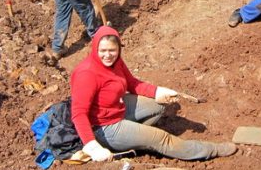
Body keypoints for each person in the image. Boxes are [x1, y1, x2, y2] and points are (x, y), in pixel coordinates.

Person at [70, 26, 237, 161]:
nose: (108, 55)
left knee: (159, 105)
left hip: (116, 108)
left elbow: (132, 83)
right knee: (161, 138)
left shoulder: (116, 62)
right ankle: (210, 150)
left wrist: (157, 91)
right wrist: (91, 145)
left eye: (112, 50)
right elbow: (78, 114)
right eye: (103, 50)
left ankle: (136, 138)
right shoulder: (87, 73)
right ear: (95, 48)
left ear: (119, 49)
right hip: (104, 128)